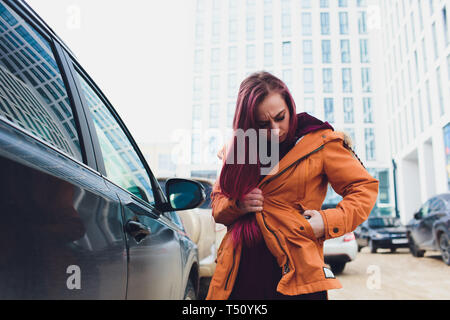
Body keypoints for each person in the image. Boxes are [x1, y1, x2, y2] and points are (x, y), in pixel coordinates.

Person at [206, 71, 379, 300]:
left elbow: (364, 188)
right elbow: (218, 206)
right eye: (263, 124)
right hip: (239, 271)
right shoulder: (238, 151)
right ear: (248, 122)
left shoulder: (321, 142)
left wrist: (326, 222)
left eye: (280, 117)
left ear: (290, 105)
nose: (275, 129)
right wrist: (237, 204)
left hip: (298, 272)